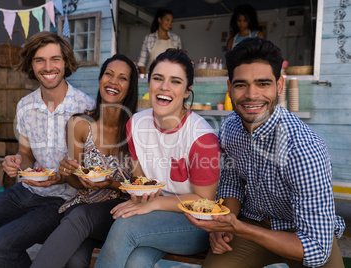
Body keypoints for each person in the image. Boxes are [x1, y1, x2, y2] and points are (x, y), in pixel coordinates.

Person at [185, 37, 346, 268]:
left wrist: (238, 227)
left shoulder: (304, 148)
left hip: (305, 232)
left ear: (279, 86)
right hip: (256, 222)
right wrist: (224, 223)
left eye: (263, 84)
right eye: (241, 85)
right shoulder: (230, 127)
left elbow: (318, 250)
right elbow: (232, 182)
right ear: (229, 88)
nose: (251, 95)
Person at [0, 31, 95, 268]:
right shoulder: (25, 105)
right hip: (26, 190)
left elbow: (92, 169)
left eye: (55, 59)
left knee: (1, 246)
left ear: (66, 62)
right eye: (40, 60)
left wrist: (64, 175)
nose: (48, 67)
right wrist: (16, 162)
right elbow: (26, 154)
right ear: (31, 65)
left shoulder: (86, 107)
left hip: (63, 199)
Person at [94, 48, 221, 268]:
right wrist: (141, 197)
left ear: (187, 91)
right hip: (155, 216)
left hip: (196, 223)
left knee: (125, 227)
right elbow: (141, 182)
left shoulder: (202, 138)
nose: (164, 87)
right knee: (136, 262)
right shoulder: (135, 125)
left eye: (175, 81)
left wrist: (155, 204)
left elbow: (205, 203)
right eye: (158, 78)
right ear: (149, 83)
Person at [31, 53, 138, 268]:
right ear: (100, 80)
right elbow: (78, 184)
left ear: (130, 87)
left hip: (122, 214)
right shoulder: (79, 124)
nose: (113, 81)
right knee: (75, 260)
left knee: (80, 216)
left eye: (122, 78)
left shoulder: (137, 128)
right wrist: (70, 172)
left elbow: (142, 185)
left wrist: (111, 184)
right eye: (108, 74)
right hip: (86, 211)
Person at [137, 8, 182, 75]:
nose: (170, 23)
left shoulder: (176, 39)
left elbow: (180, 61)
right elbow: (141, 63)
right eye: (167, 20)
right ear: (159, 20)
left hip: (172, 75)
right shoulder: (149, 39)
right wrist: (145, 78)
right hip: (153, 76)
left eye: (171, 21)